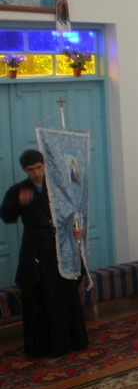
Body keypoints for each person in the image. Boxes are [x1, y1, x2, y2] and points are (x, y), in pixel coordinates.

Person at [1, 150, 88, 357]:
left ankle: (71, 341)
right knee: (38, 296)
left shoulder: (58, 187)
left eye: (39, 167)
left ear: (44, 165)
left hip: (60, 248)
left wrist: (77, 229)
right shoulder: (18, 190)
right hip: (35, 250)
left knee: (64, 293)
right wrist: (18, 202)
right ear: (25, 170)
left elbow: (72, 213)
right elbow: (7, 217)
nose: (36, 173)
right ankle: (41, 347)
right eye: (31, 170)